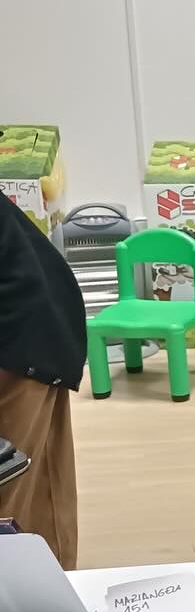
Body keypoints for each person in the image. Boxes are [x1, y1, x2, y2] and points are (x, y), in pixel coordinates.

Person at [0, 195, 85, 569]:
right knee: (33, 484)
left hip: (21, 331)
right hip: (29, 316)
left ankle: (47, 586)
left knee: (16, 488)